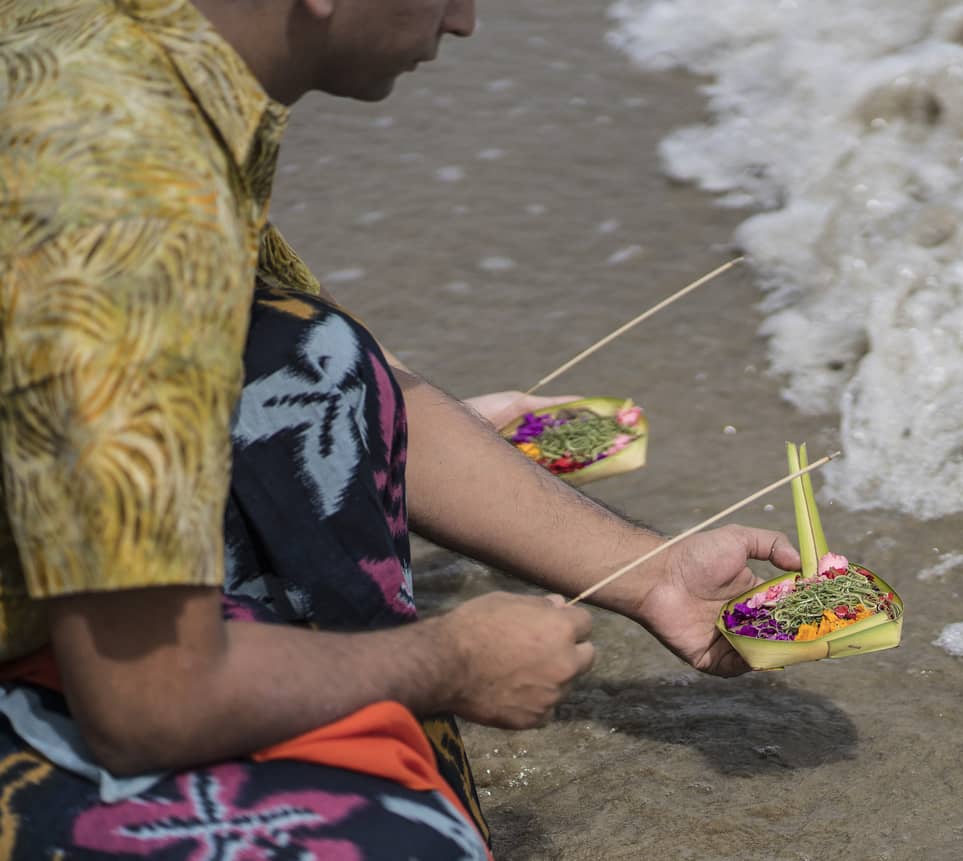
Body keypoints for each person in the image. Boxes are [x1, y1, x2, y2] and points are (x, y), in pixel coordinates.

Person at [0, 0, 800, 856]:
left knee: (305, 349)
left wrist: (650, 577)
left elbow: (346, 379)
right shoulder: (124, 189)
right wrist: (448, 662)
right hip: (128, 691)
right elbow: (150, 701)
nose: (464, 22)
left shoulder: (115, 52)